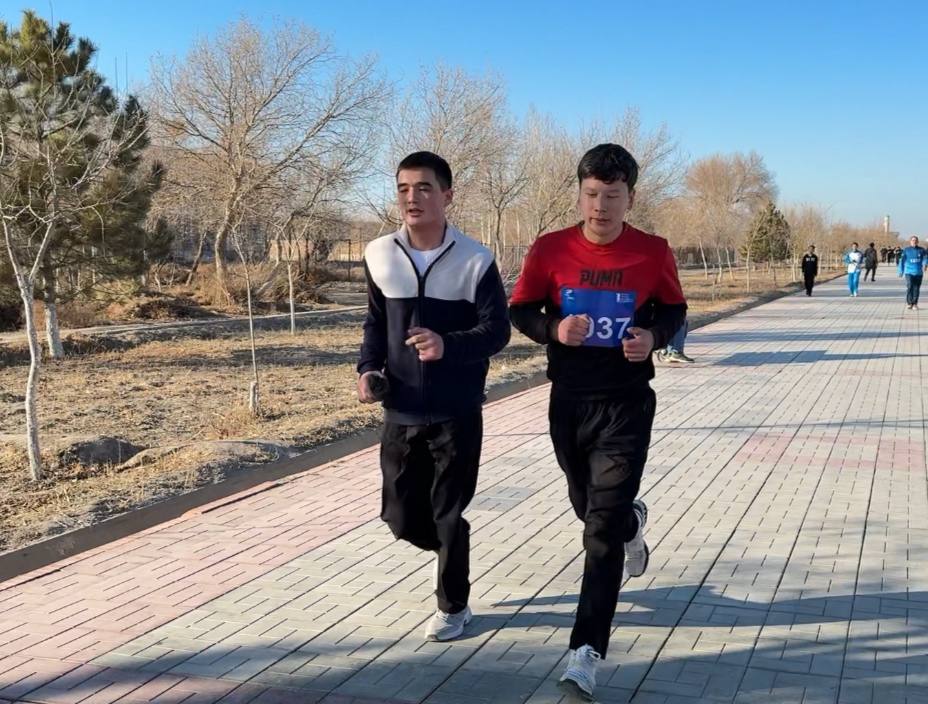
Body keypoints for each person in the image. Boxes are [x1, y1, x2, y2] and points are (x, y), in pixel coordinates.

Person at [509, 144, 686, 701]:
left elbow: (674, 309)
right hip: (570, 401)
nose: (600, 207)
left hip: (626, 403)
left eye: (612, 196)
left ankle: (585, 651)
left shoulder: (653, 251)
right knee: (587, 506)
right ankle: (633, 522)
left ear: (630, 197)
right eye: (591, 195)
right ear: (580, 193)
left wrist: (652, 336)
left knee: (598, 531)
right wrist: (554, 329)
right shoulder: (550, 248)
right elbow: (520, 309)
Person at [357, 151, 510, 641]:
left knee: (447, 511)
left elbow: (497, 331)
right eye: (403, 188)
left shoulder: (475, 259)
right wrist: (368, 369)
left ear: (447, 195)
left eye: (423, 187)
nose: (412, 197)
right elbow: (376, 322)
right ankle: (451, 543)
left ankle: (453, 605)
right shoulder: (379, 254)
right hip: (400, 407)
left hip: (456, 410)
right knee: (399, 516)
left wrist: (448, 345)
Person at [897, 235, 928, 310]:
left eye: (915, 240)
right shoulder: (906, 250)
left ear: (918, 241)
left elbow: (925, 258)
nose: (914, 241)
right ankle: (909, 303)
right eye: (913, 240)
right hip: (909, 272)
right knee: (910, 286)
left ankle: (915, 304)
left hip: (918, 273)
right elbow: (902, 261)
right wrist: (901, 271)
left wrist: (925, 264)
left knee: (916, 288)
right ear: (910, 241)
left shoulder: (922, 250)